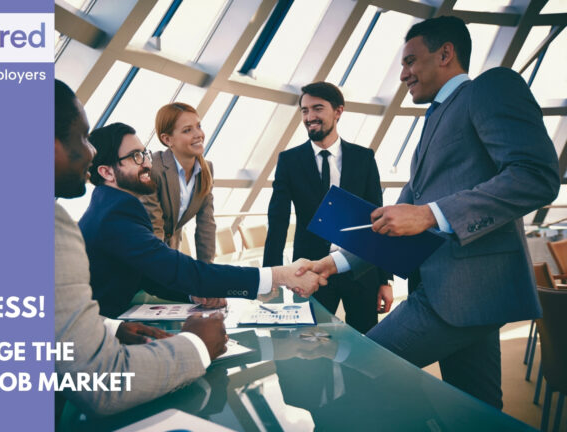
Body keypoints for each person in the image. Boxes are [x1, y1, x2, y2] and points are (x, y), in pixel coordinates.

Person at [297, 16, 559, 409]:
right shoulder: (436, 117)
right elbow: (392, 219)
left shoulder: (490, 88)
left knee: (357, 372)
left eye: (410, 61)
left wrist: (431, 214)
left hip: (458, 293)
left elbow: (536, 176)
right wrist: (333, 263)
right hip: (461, 297)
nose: (402, 74)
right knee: (475, 409)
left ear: (446, 54)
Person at [54, 79, 230, 417]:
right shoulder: (66, 223)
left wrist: (112, 327)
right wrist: (196, 345)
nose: (89, 151)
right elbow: (102, 383)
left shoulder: (109, 205)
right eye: (81, 137)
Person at [79, 122, 325, 318]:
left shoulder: (112, 205)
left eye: (145, 154)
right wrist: (280, 275)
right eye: (135, 157)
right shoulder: (117, 214)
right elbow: (179, 269)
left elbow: (149, 274)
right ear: (107, 172)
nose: (147, 163)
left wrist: (192, 295)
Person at [263, 82, 392, 333]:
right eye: (304, 110)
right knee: (310, 347)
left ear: (338, 111)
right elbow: (277, 221)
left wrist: (384, 279)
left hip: (360, 270)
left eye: (317, 108)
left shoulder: (363, 158)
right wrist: (272, 277)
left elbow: (377, 219)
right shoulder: (289, 161)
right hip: (310, 271)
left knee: (364, 350)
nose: (309, 117)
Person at [140, 102, 216, 263]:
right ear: (167, 139)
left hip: (170, 252)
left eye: (198, 126)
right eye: (187, 130)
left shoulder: (206, 169)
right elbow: (155, 227)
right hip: (142, 255)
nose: (198, 134)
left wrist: (208, 272)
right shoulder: (154, 168)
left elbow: (206, 225)